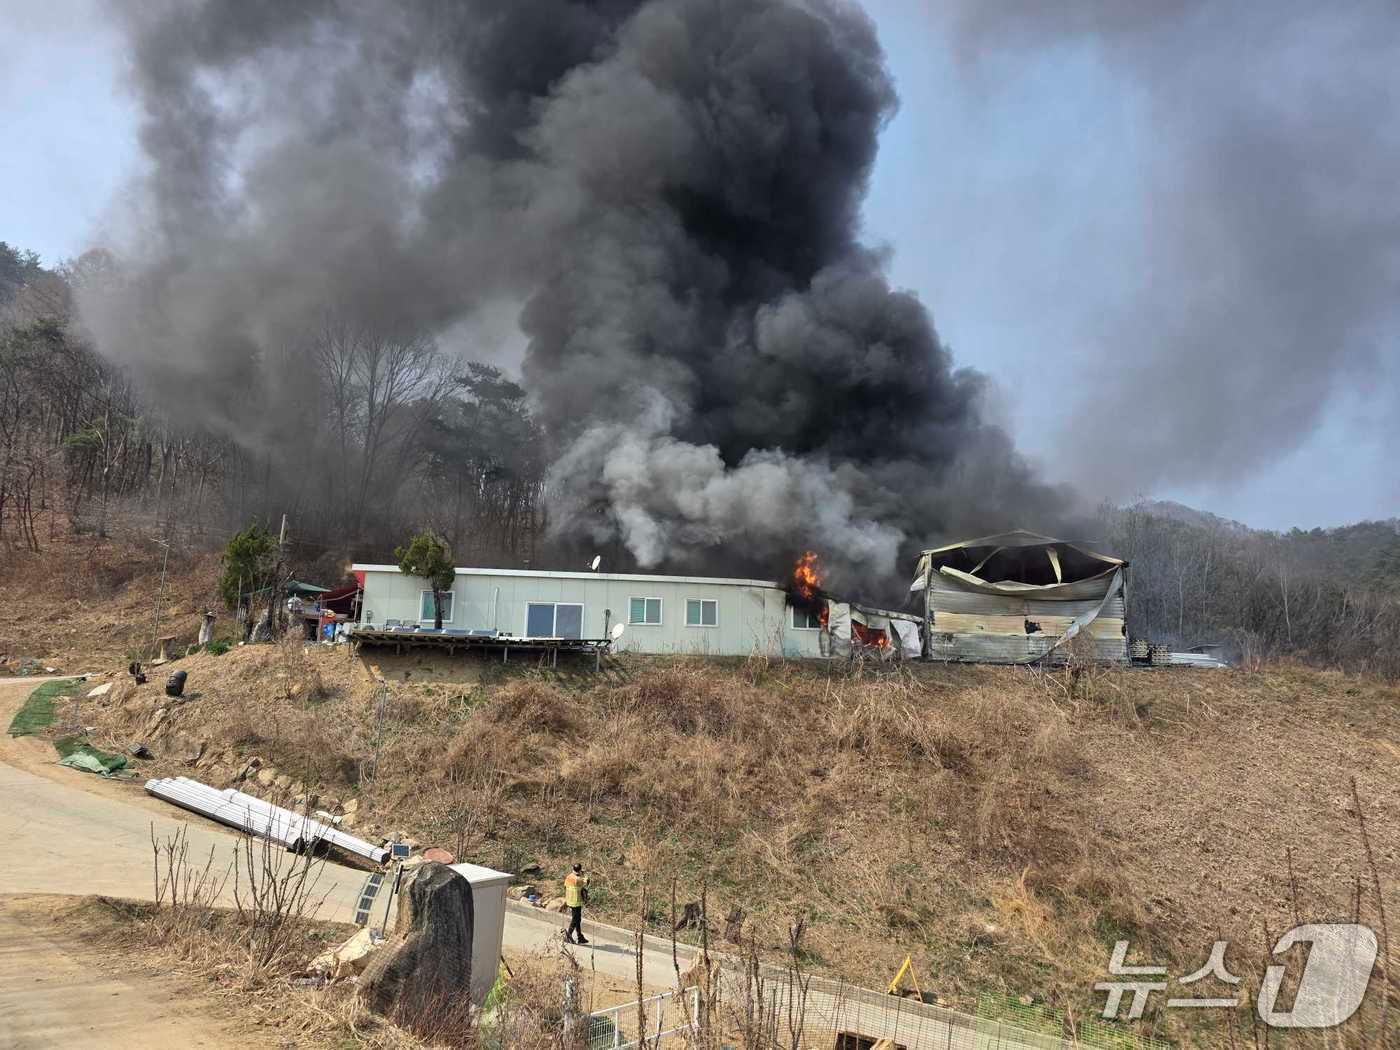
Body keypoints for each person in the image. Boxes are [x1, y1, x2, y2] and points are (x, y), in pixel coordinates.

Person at [563, 863, 590, 945]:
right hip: (576, 902)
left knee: (578, 919)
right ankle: (568, 936)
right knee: (575, 920)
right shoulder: (579, 879)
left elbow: (565, 886)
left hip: (569, 900)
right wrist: (584, 873)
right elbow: (587, 881)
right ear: (580, 870)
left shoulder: (569, 877)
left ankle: (580, 936)